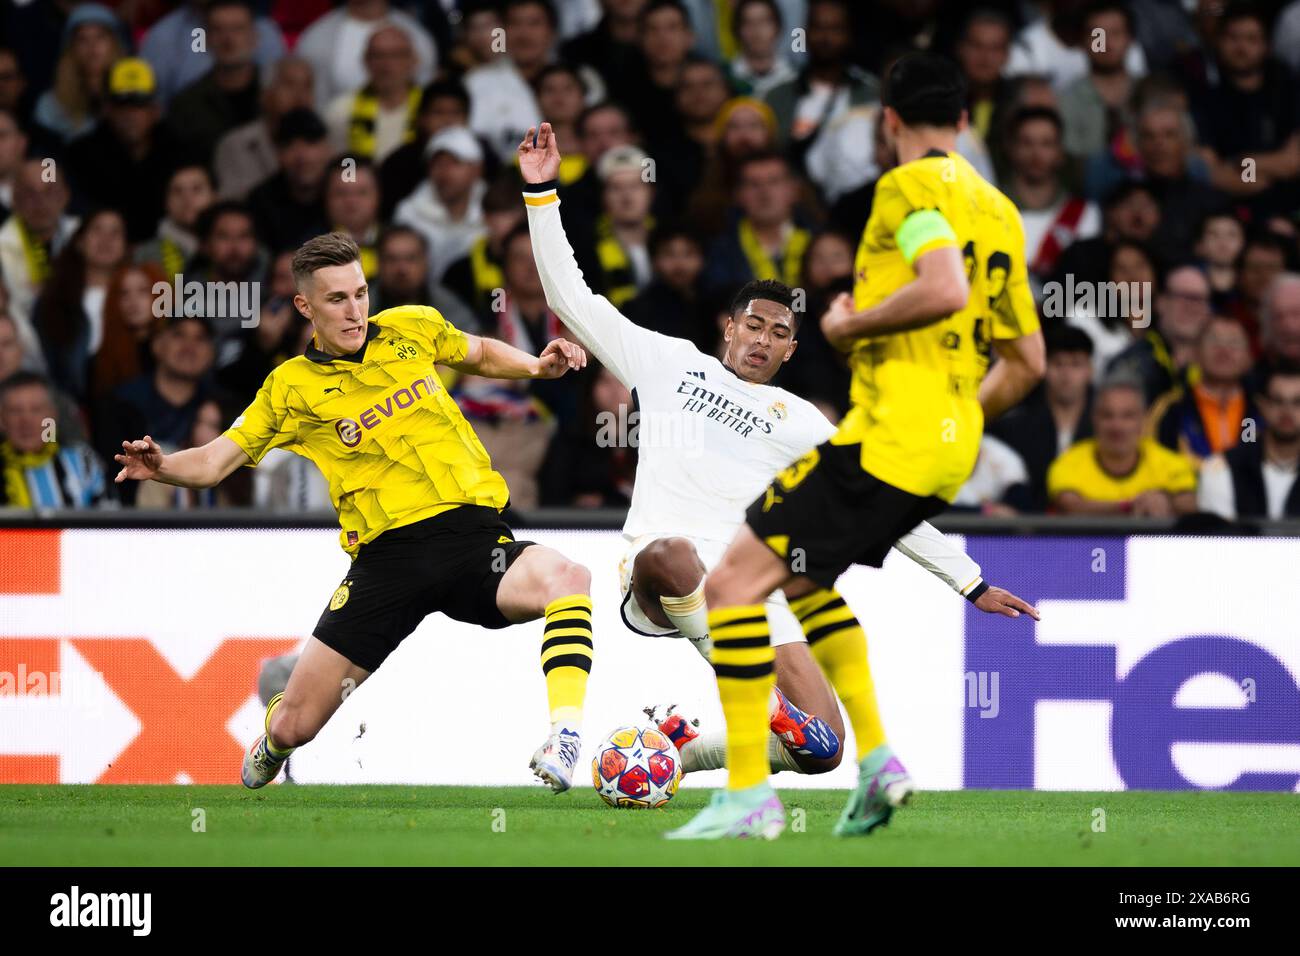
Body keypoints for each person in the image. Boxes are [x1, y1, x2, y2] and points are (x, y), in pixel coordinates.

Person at [519, 119, 1037, 811]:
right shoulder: (669, 362)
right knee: (673, 553)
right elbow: (570, 299)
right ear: (728, 329)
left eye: (779, 334)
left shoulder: (802, 423)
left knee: (821, 748)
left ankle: (678, 749)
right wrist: (541, 194)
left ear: (792, 351)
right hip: (661, 576)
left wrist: (969, 582)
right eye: (753, 325)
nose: (762, 340)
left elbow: (884, 499)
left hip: (750, 590)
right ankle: (756, 694)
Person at [665, 52, 1044, 839]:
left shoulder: (908, 187)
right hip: (946, 448)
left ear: (889, 120)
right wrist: (957, 412)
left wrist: (847, 325)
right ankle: (876, 763)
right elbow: (1028, 363)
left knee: (732, 584)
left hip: (886, 434)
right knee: (800, 585)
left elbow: (943, 286)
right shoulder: (1001, 210)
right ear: (967, 121)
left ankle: (748, 794)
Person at [112, 232, 596, 794]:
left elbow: (480, 352)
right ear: (305, 306)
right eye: (337, 298)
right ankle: (273, 740)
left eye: (361, 293)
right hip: (386, 564)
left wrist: (537, 368)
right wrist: (164, 466)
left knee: (570, 578)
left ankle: (564, 738)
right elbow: (217, 461)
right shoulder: (290, 388)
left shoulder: (412, 327)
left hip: (476, 540)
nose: (355, 310)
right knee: (296, 724)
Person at [1047, 377, 1198, 515]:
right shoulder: (1068, 462)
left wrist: (1166, 500)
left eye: (1128, 416)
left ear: (1143, 420)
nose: (1117, 426)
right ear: (1094, 419)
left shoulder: (1171, 463)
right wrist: (1129, 506)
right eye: (1107, 415)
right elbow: (1070, 506)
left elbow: (1190, 503)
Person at [1198, 365, 1300, 520]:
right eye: (1278, 401)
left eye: (1297, 402)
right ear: (1262, 405)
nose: (1287, 411)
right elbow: (1219, 538)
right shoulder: (1221, 467)